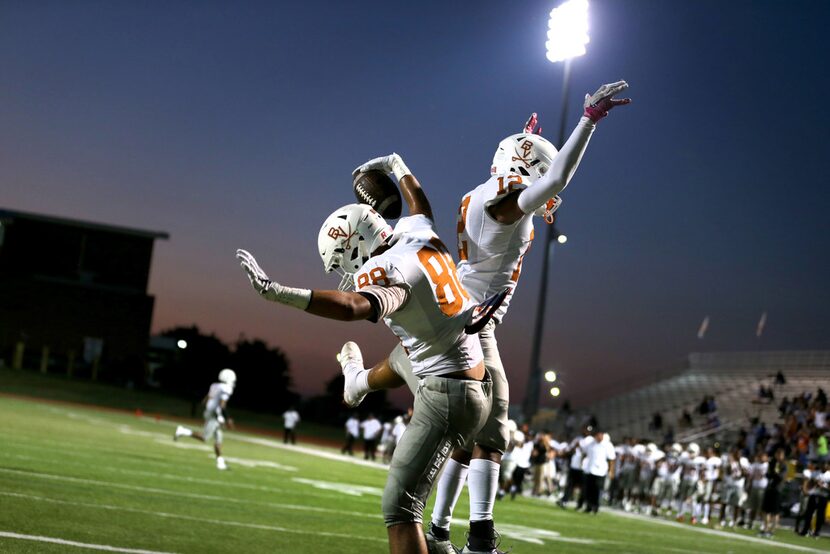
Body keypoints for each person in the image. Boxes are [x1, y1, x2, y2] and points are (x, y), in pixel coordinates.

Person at [337, 80, 631, 554]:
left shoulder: (488, 195)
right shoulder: (505, 204)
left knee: (458, 413)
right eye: (535, 167)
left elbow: (534, 179)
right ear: (524, 169)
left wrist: (523, 140)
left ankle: (438, 525)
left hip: (462, 303)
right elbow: (554, 180)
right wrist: (588, 121)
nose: (545, 184)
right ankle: (478, 540)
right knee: (491, 422)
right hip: (472, 316)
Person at [237, 153, 492, 554]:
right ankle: (359, 381)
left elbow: (353, 307)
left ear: (356, 245)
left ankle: (359, 382)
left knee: (400, 509)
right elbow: (419, 204)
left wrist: (278, 293)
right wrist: (397, 165)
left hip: (447, 394)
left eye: (341, 261)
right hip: (462, 372)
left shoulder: (386, 269)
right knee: (405, 352)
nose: (344, 273)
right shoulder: (417, 231)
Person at [174, 368, 237, 470]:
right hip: (214, 414)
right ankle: (182, 431)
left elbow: (206, 399)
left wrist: (208, 410)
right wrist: (227, 418)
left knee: (218, 438)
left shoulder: (214, 385)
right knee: (205, 437)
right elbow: (222, 405)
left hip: (210, 412)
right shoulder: (226, 388)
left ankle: (220, 463)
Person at [582, 430, 616, 513]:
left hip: (601, 471)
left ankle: (595, 506)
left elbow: (611, 459)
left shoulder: (607, 445)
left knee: (597, 490)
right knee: (589, 489)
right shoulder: (591, 444)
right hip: (590, 469)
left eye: (600, 435)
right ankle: (588, 506)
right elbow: (585, 453)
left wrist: (611, 471)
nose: (599, 437)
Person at [759, 448, 787, 538]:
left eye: (780, 454)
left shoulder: (784, 465)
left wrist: (774, 472)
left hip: (777, 490)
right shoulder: (772, 463)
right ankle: (766, 528)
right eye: (777, 454)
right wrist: (772, 472)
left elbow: (780, 477)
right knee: (765, 510)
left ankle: (772, 530)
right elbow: (767, 474)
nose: (778, 456)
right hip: (769, 488)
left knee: (775, 512)